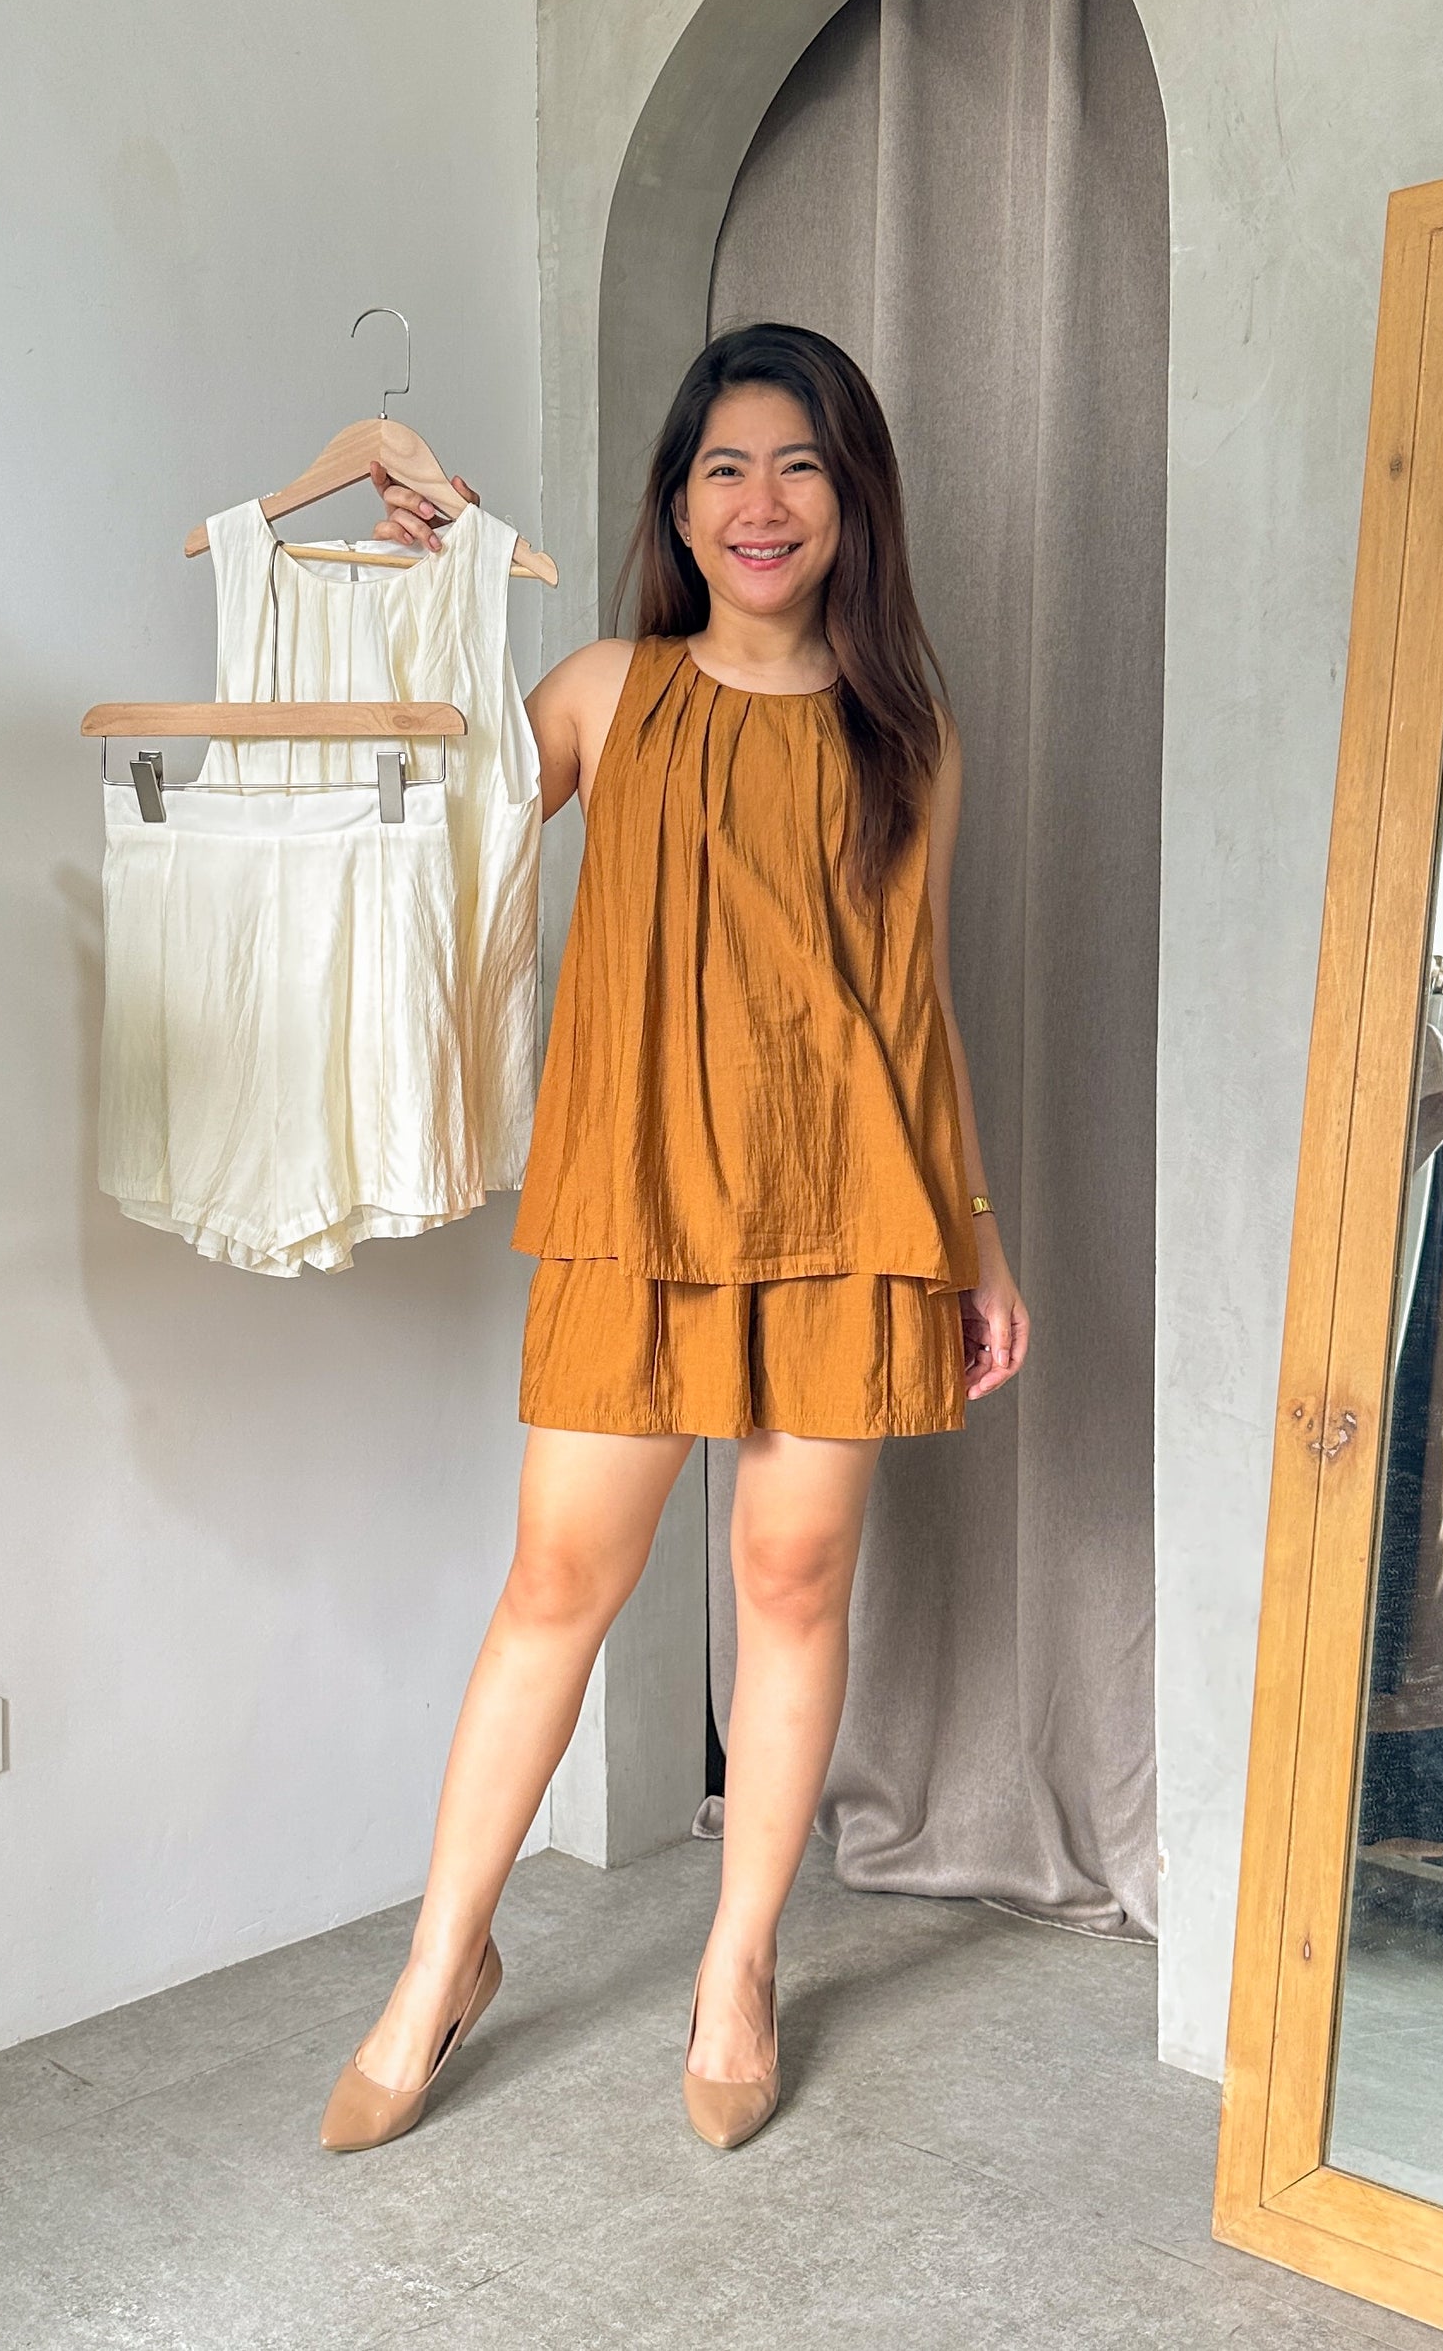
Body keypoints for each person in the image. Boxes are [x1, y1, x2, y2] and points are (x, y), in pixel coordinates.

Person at [320, 321, 1030, 2155]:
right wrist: (422, 601)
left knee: (790, 1583)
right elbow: (419, 826)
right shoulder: (605, 692)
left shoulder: (906, 732)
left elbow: (918, 1004)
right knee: (556, 1583)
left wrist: (977, 1237)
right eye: (725, 466)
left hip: (849, 1202)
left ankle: (737, 1969)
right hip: (633, 1198)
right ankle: (440, 1966)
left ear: (852, 500)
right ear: (679, 501)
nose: (760, 502)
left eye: (799, 465)